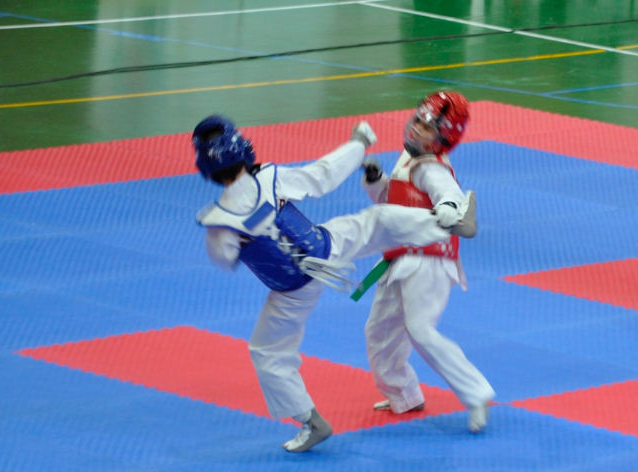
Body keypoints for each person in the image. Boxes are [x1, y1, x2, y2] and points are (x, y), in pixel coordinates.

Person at [193, 114, 475, 453]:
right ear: (243, 150)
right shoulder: (268, 179)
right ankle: (445, 221)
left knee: (268, 352)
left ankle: (310, 420)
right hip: (326, 249)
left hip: (292, 290)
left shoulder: (219, 221)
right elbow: (322, 175)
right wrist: (358, 143)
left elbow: (224, 259)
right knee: (376, 221)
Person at [360, 90, 496, 433]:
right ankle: (403, 394)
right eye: (417, 122)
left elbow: (447, 193)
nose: (417, 131)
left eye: (427, 128)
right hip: (400, 259)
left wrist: (450, 207)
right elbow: (392, 202)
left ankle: (477, 393)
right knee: (380, 331)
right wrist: (375, 183)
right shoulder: (407, 160)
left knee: (420, 329)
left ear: (444, 139)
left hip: (429, 262)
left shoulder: (431, 168)